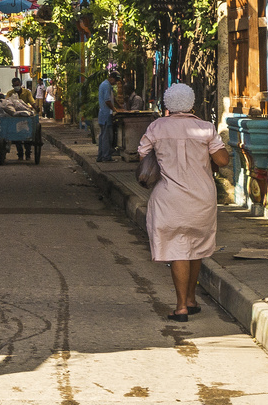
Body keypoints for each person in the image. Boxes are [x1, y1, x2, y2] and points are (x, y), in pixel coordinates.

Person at [137, 84, 230, 322]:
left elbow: (142, 154)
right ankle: (190, 299)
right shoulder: (205, 128)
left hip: (169, 198)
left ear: (168, 104)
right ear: (191, 103)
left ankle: (181, 307)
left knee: (179, 247)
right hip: (201, 197)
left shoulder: (156, 127)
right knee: (195, 247)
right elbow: (222, 159)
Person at [96, 70, 118, 162]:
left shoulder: (106, 85)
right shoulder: (106, 86)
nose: (116, 82)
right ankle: (106, 157)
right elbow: (107, 100)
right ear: (111, 78)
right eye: (115, 80)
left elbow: (112, 99)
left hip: (103, 114)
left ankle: (101, 156)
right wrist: (115, 109)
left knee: (103, 136)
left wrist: (118, 106)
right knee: (107, 137)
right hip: (106, 114)